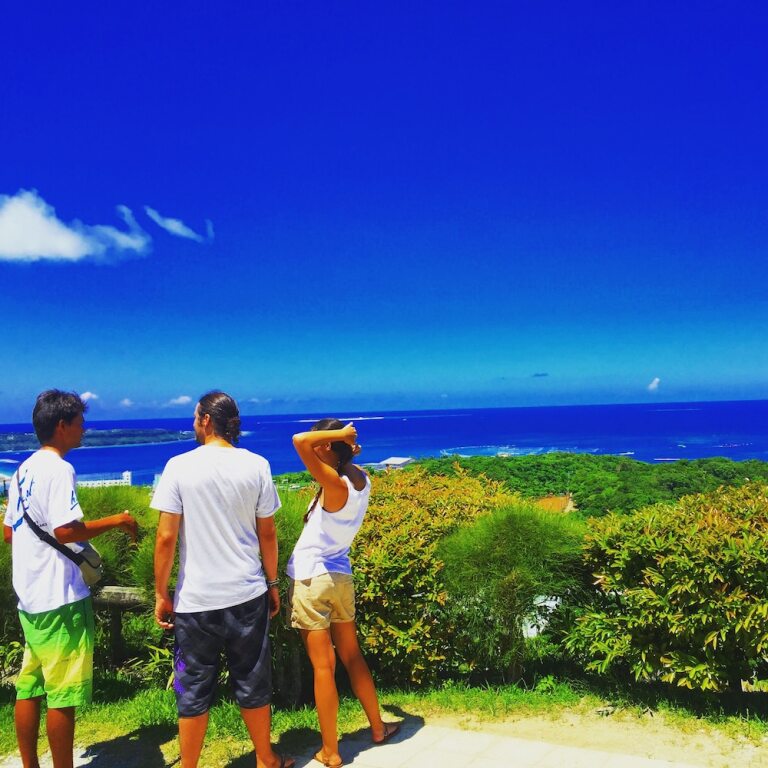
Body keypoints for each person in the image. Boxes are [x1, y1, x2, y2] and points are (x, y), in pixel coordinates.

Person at [152, 391, 293, 768]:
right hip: (247, 594)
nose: (192, 423)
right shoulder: (257, 465)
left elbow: (165, 537)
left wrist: (161, 592)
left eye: (194, 416)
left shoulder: (178, 467)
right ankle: (266, 759)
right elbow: (268, 534)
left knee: (192, 689)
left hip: (195, 602)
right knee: (252, 680)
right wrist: (272, 583)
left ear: (205, 420)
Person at [2, 389, 138, 768]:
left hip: (30, 597)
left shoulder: (22, 471)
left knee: (29, 686)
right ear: (62, 426)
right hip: (60, 596)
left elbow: (9, 532)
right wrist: (118, 520)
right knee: (62, 694)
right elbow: (65, 530)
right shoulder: (59, 469)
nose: (84, 430)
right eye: (80, 423)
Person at [287, 419, 400, 768]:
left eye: (321, 444)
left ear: (327, 447)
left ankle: (331, 751)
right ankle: (378, 727)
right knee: (352, 656)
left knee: (324, 666)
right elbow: (335, 455)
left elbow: (299, 440)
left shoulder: (334, 484)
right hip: (340, 577)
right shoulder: (361, 479)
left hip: (312, 578)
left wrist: (340, 437)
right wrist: (345, 448)